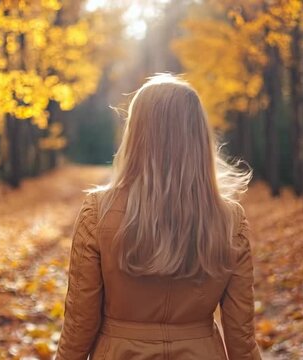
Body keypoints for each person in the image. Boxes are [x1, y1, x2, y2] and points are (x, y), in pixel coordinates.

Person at [56, 74, 262, 360]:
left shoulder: (98, 212)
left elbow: (80, 324)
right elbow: (241, 337)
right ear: (198, 137)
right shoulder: (229, 220)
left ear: (136, 133)